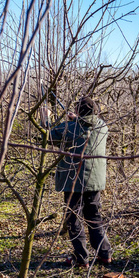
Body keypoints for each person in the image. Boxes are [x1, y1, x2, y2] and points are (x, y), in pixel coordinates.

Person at [42, 97, 112, 267]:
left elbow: (49, 137)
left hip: (73, 181)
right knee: (94, 216)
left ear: (79, 112)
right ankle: (105, 254)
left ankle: (81, 258)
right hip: (94, 181)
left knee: (73, 219)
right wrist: (77, 119)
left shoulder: (69, 128)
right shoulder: (102, 126)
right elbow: (86, 128)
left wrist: (46, 118)